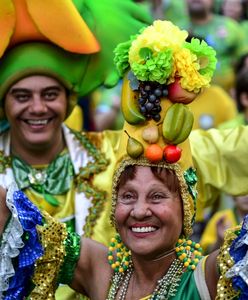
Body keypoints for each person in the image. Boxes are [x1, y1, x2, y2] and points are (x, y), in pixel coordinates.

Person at [2, 19, 248, 300]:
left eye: (156, 197)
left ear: (186, 205)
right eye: (128, 196)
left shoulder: (211, 277)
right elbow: (26, 229)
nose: (140, 210)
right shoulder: (101, 271)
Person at [0, 1, 151, 299]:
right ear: (5, 104)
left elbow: (211, 152)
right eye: (21, 96)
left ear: (68, 101)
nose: (38, 107)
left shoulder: (115, 157)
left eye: (50, 94)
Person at [175, 0, 248, 92]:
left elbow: (245, 61)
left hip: (229, 97)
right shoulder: (176, 30)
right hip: (188, 98)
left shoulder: (230, 26)